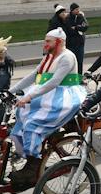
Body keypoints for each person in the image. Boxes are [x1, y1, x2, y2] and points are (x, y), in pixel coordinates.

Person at [10, 29, 86, 165]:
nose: (44, 44)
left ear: (59, 42)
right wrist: (12, 91)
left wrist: (29, 96)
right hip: (46, 95)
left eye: (48, 41)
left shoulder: (67, 57)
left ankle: (33, 159)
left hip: (61, 97)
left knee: (32, 124)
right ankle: (26, 153)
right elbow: (34, 75)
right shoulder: (49, 56)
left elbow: (54, 82)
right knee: (19, 115)